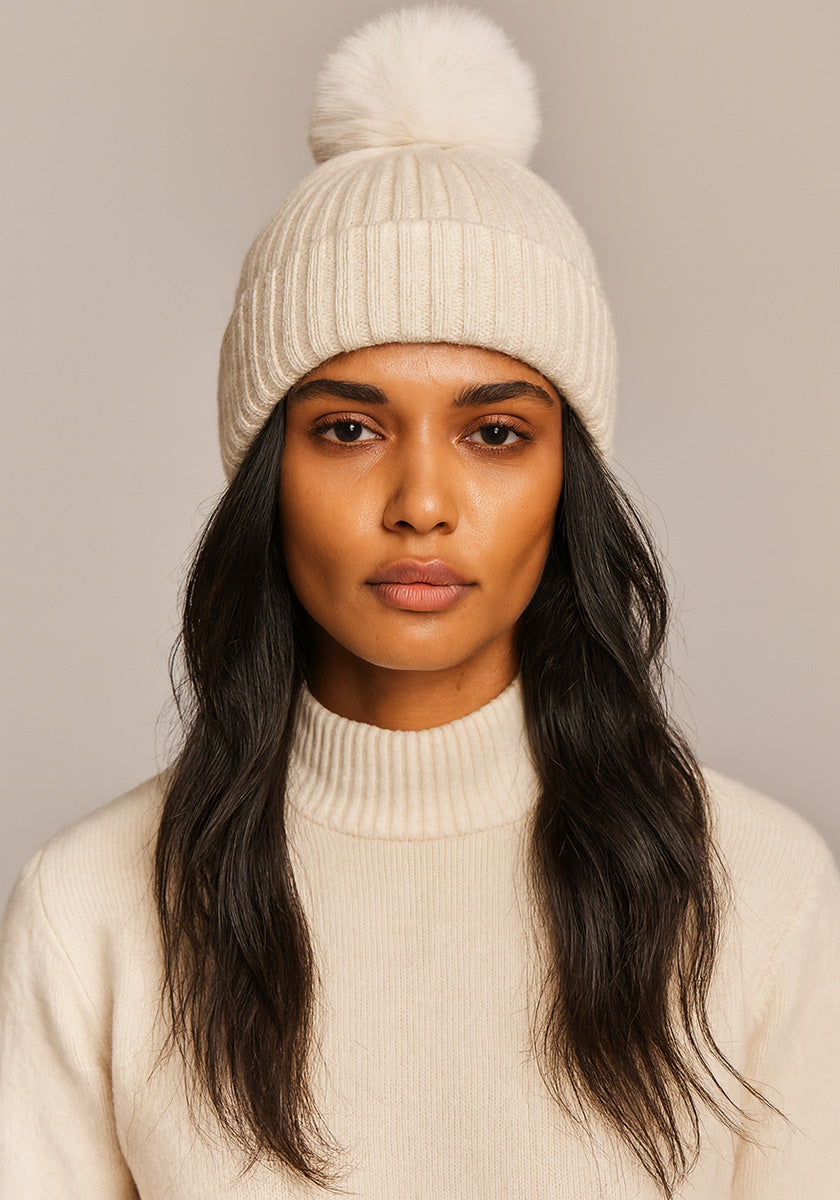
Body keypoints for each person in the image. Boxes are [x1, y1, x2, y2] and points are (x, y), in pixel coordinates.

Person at [1, 5, 838, 1198]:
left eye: (496, 432)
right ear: (265, 476)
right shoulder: (90, 910)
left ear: (570, 479)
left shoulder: (757, 888)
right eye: (347, 429)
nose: (423, 502)